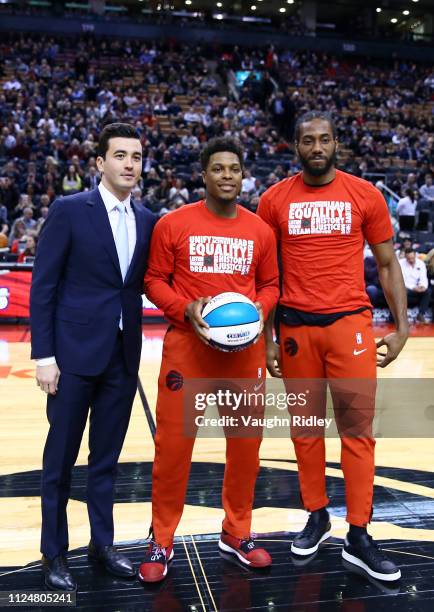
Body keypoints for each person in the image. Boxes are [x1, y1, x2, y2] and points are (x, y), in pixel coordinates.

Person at [258, 111, 408, 582]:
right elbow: (264, 275)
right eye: (308, 140)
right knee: (305, 430)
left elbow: (387, 263)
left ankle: (359, 533)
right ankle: (317, 514)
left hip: (350, 326)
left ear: (336, 142)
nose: (317, 147)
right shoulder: (273, 200)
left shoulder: (364, 194)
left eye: (324, 139)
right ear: (296, 146)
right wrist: (269, 339)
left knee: (357, 431)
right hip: (297, 330)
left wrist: (401, 327)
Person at [139, 137, 280, 583]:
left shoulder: (260, 230)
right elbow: (154, 280)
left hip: (244, 356)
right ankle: (162, 539)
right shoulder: (173, 224)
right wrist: (186, 308)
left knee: (245, 450)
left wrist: (259, 308)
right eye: (217, 168)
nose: (226, 176)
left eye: (234, 169)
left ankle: (236, 532)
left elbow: (273, 284)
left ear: (243, 175)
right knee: (173, 452)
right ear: (203, 175)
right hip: (188, 350)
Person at [30, 123, 156, 591]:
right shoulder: (69, 210)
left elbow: (141, 285)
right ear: (99, 163)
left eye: (137, 157)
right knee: (59, 463)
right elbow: (43, 288)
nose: (129, 164)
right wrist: (44, 355)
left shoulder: (147, 219)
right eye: (120, 155)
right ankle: (53, 552)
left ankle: (102, 545)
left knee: (106, 461)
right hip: (72, 357)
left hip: (122, 359)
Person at [399, 248, 430, 324]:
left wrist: (423, 287)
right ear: (405, 257)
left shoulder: (421, 263)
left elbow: (423, 278)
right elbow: (401, 281)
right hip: (405, 288)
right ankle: (402, 319)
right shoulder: (400, 263)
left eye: (412, 258)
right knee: (401, 292)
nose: (411, 260)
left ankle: (421, 315)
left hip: (417, 288)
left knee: (427, 292)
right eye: (409, 258)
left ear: (415, 256)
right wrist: (413, 287)